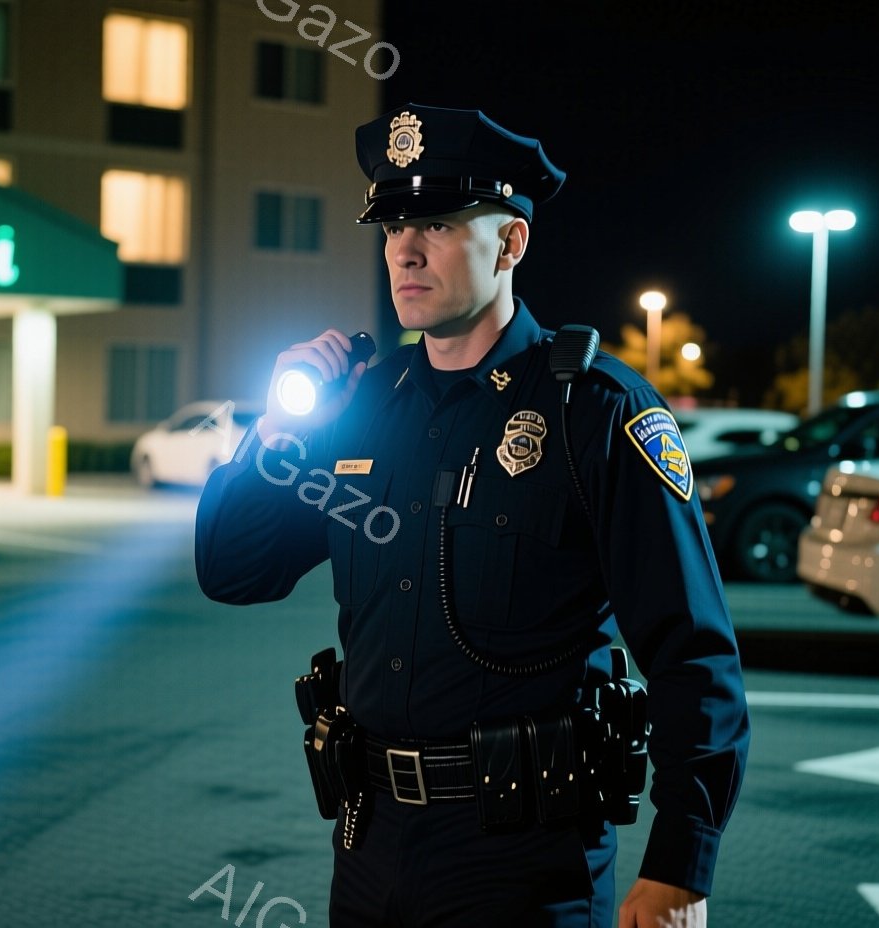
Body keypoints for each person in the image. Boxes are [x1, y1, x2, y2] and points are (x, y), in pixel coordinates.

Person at [195, 103, 750, 928]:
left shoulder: (593, 411)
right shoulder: (363, 409)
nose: (405, 251)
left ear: (512, 242)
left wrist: (682, 862)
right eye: (390, 227)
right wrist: (273, 435)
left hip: (527, 859)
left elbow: (691, 652)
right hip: (370, 840)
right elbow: (234, 570)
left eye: (440, 224)